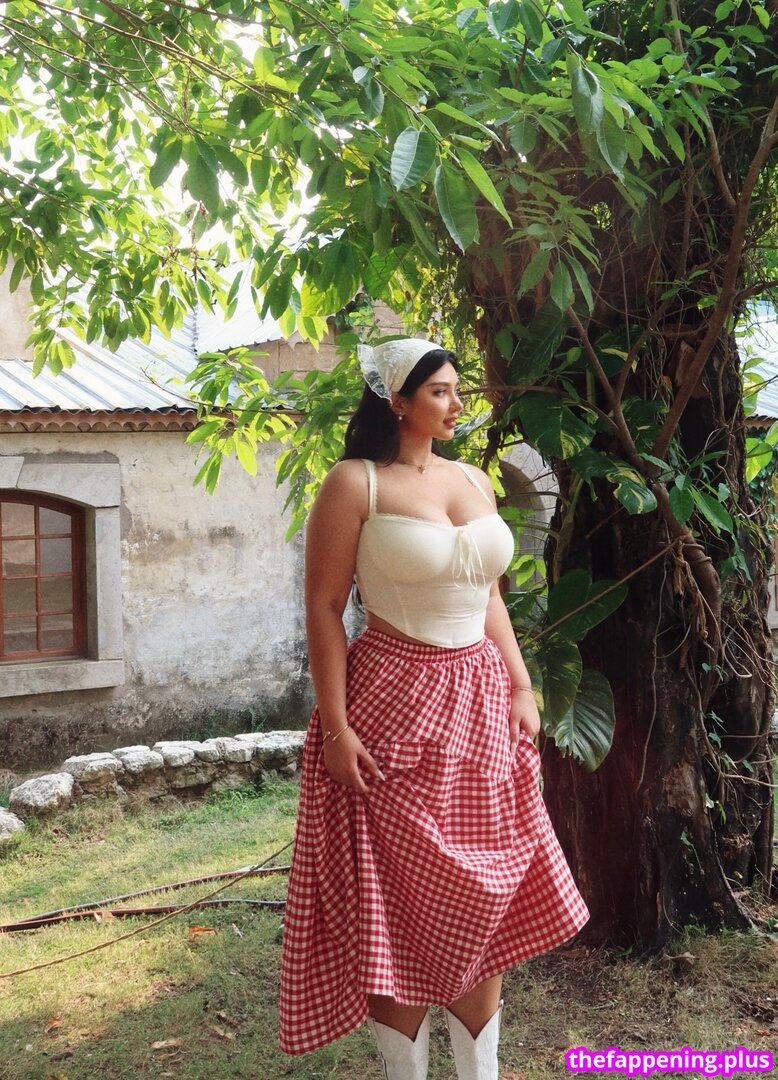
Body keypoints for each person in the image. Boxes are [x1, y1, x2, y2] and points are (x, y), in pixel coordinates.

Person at [279, 338, 589, 1079]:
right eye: (440, 391)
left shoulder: (474, 479)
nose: (456, 403)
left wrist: (520, 685)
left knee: (484, 895)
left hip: (481, 706)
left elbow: (487, 595)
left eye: (457, 390)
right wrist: (337, 729)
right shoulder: (355, 484)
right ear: (398, 401)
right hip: (392, 705)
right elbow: (324, 607)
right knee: (398, 899)